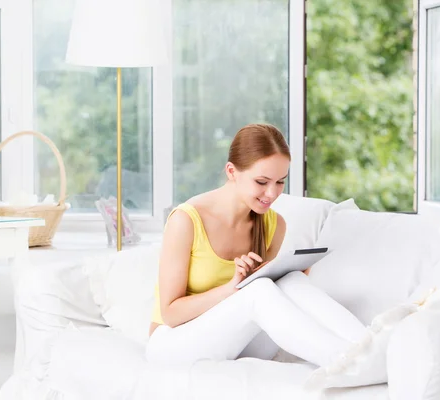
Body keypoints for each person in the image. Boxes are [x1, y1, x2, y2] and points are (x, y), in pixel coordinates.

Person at [145, 123, 366, 368]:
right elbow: (171, 314)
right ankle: (350, 364)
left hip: (235, 340)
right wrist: (233, 288)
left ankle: (371, 347)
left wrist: (284, 275)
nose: (271, 194)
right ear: (231, 171)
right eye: (262, 181)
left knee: (293, 281)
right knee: (259, 291)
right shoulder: (186, 220)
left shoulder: (274, 224)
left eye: (280, 182)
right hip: (172, 342)